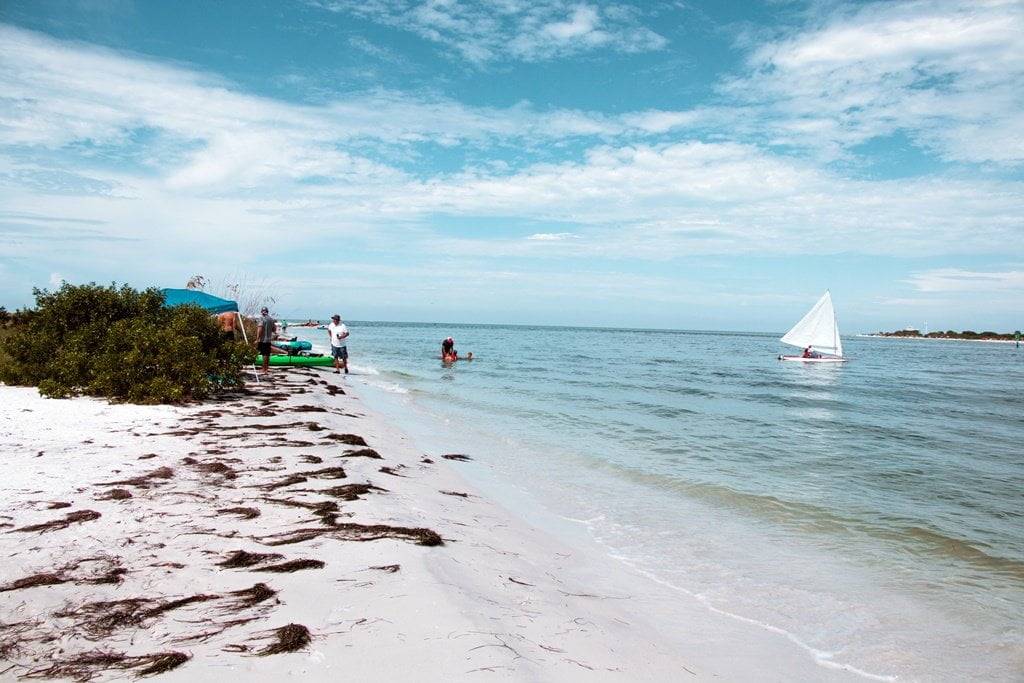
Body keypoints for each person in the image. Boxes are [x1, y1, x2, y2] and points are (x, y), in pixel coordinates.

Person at [256, 307, 276, 373]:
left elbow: (260, 329)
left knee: (264, 354)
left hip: (263, 339)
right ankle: (266, 368)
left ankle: (263, 369)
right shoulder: (271, 319)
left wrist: (257, 338)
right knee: (267, 354)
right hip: (268, 339)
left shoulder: (261, 318)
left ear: (262, 311)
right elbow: (274, 329)